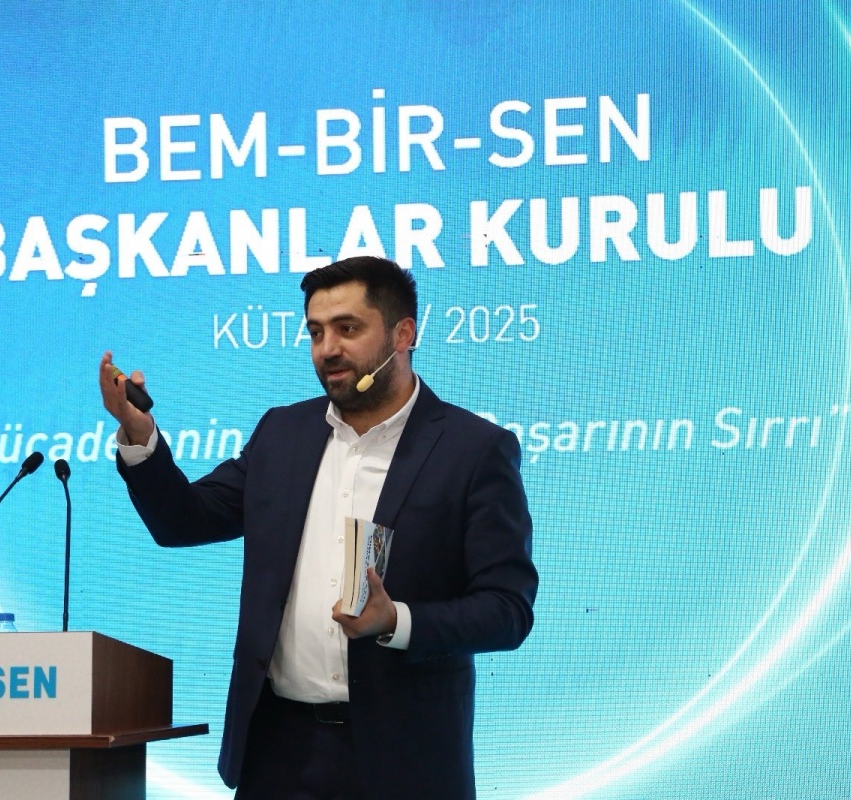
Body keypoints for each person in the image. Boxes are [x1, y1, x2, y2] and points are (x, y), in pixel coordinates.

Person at [100, 256, 537, 799]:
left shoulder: (473, 450)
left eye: (348, 329)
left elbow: (507, 610)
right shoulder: (282, 433)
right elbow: (183, 520)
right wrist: (139, 435)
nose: (327, 348)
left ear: (403, 334)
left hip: (405, 760)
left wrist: (397, 620)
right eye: (315, 332)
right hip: (277, 753)